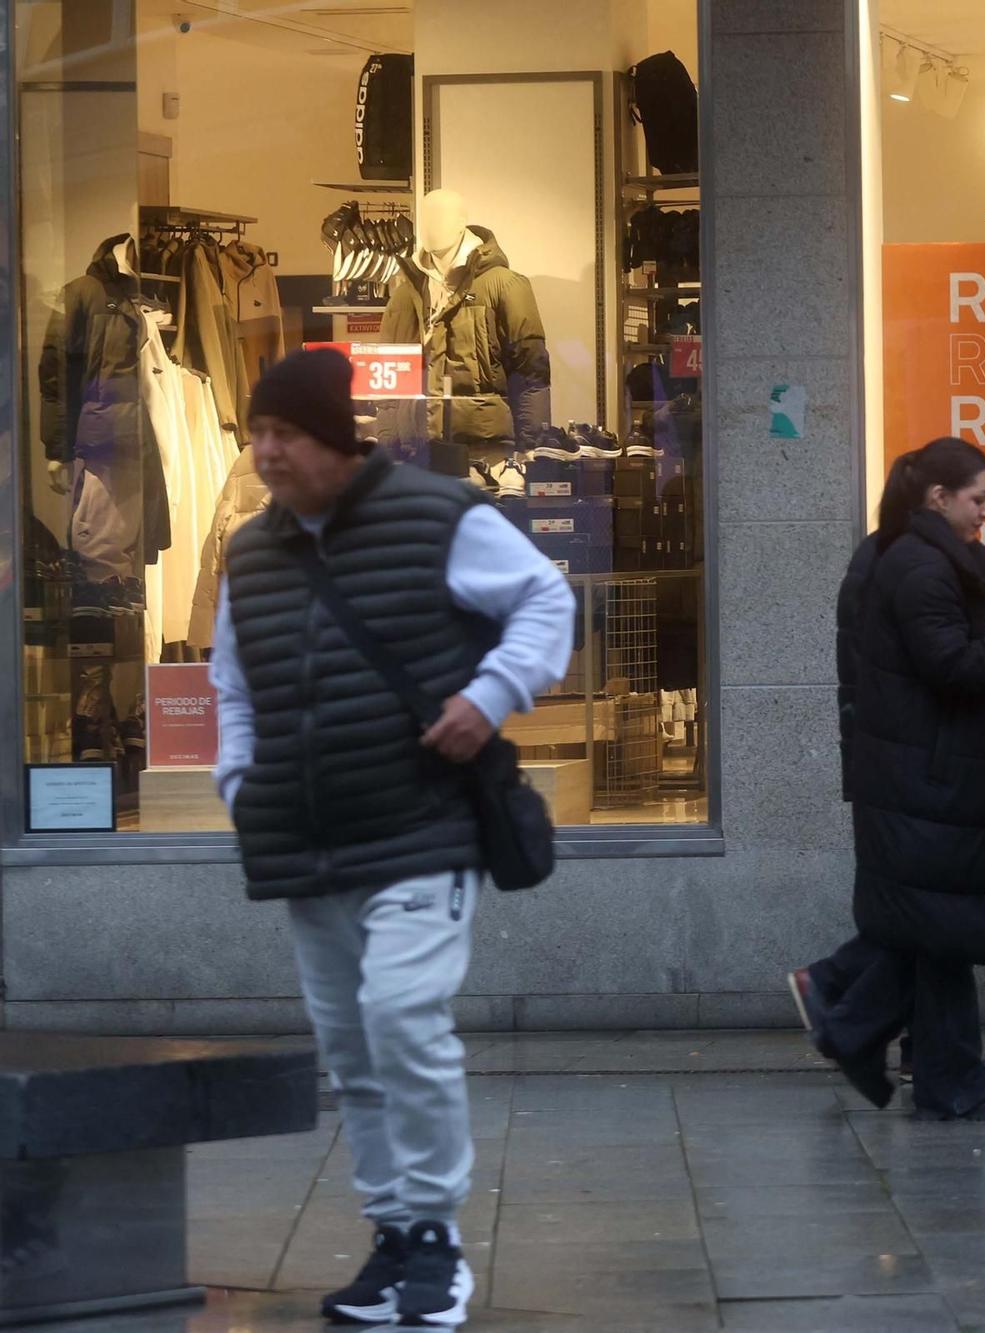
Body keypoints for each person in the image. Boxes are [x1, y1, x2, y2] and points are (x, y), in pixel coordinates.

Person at [209, 347, 575, 1326]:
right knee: (353, 1047)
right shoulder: (249, 551)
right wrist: (239, 782)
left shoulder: (437, 516)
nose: (266, 451)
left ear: (334, 437)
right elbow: (231, 684)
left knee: (402, 1016)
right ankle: (395, 1234)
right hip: (302, 836)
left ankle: (438, 1242)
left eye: (283, 432)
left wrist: (488, 697)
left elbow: (548, 597)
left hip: (420, 824)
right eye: (259, 432)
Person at [788, 437, 985, 1120]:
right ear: (939, 498)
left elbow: (972, 663)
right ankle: (883, 1036)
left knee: (936, 928)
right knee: (942, 927)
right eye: (978, 501)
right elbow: (958, 667)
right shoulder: (920, 568)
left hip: (929, 774)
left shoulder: (915, 559)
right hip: (930, 778)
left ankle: (875, 1027)